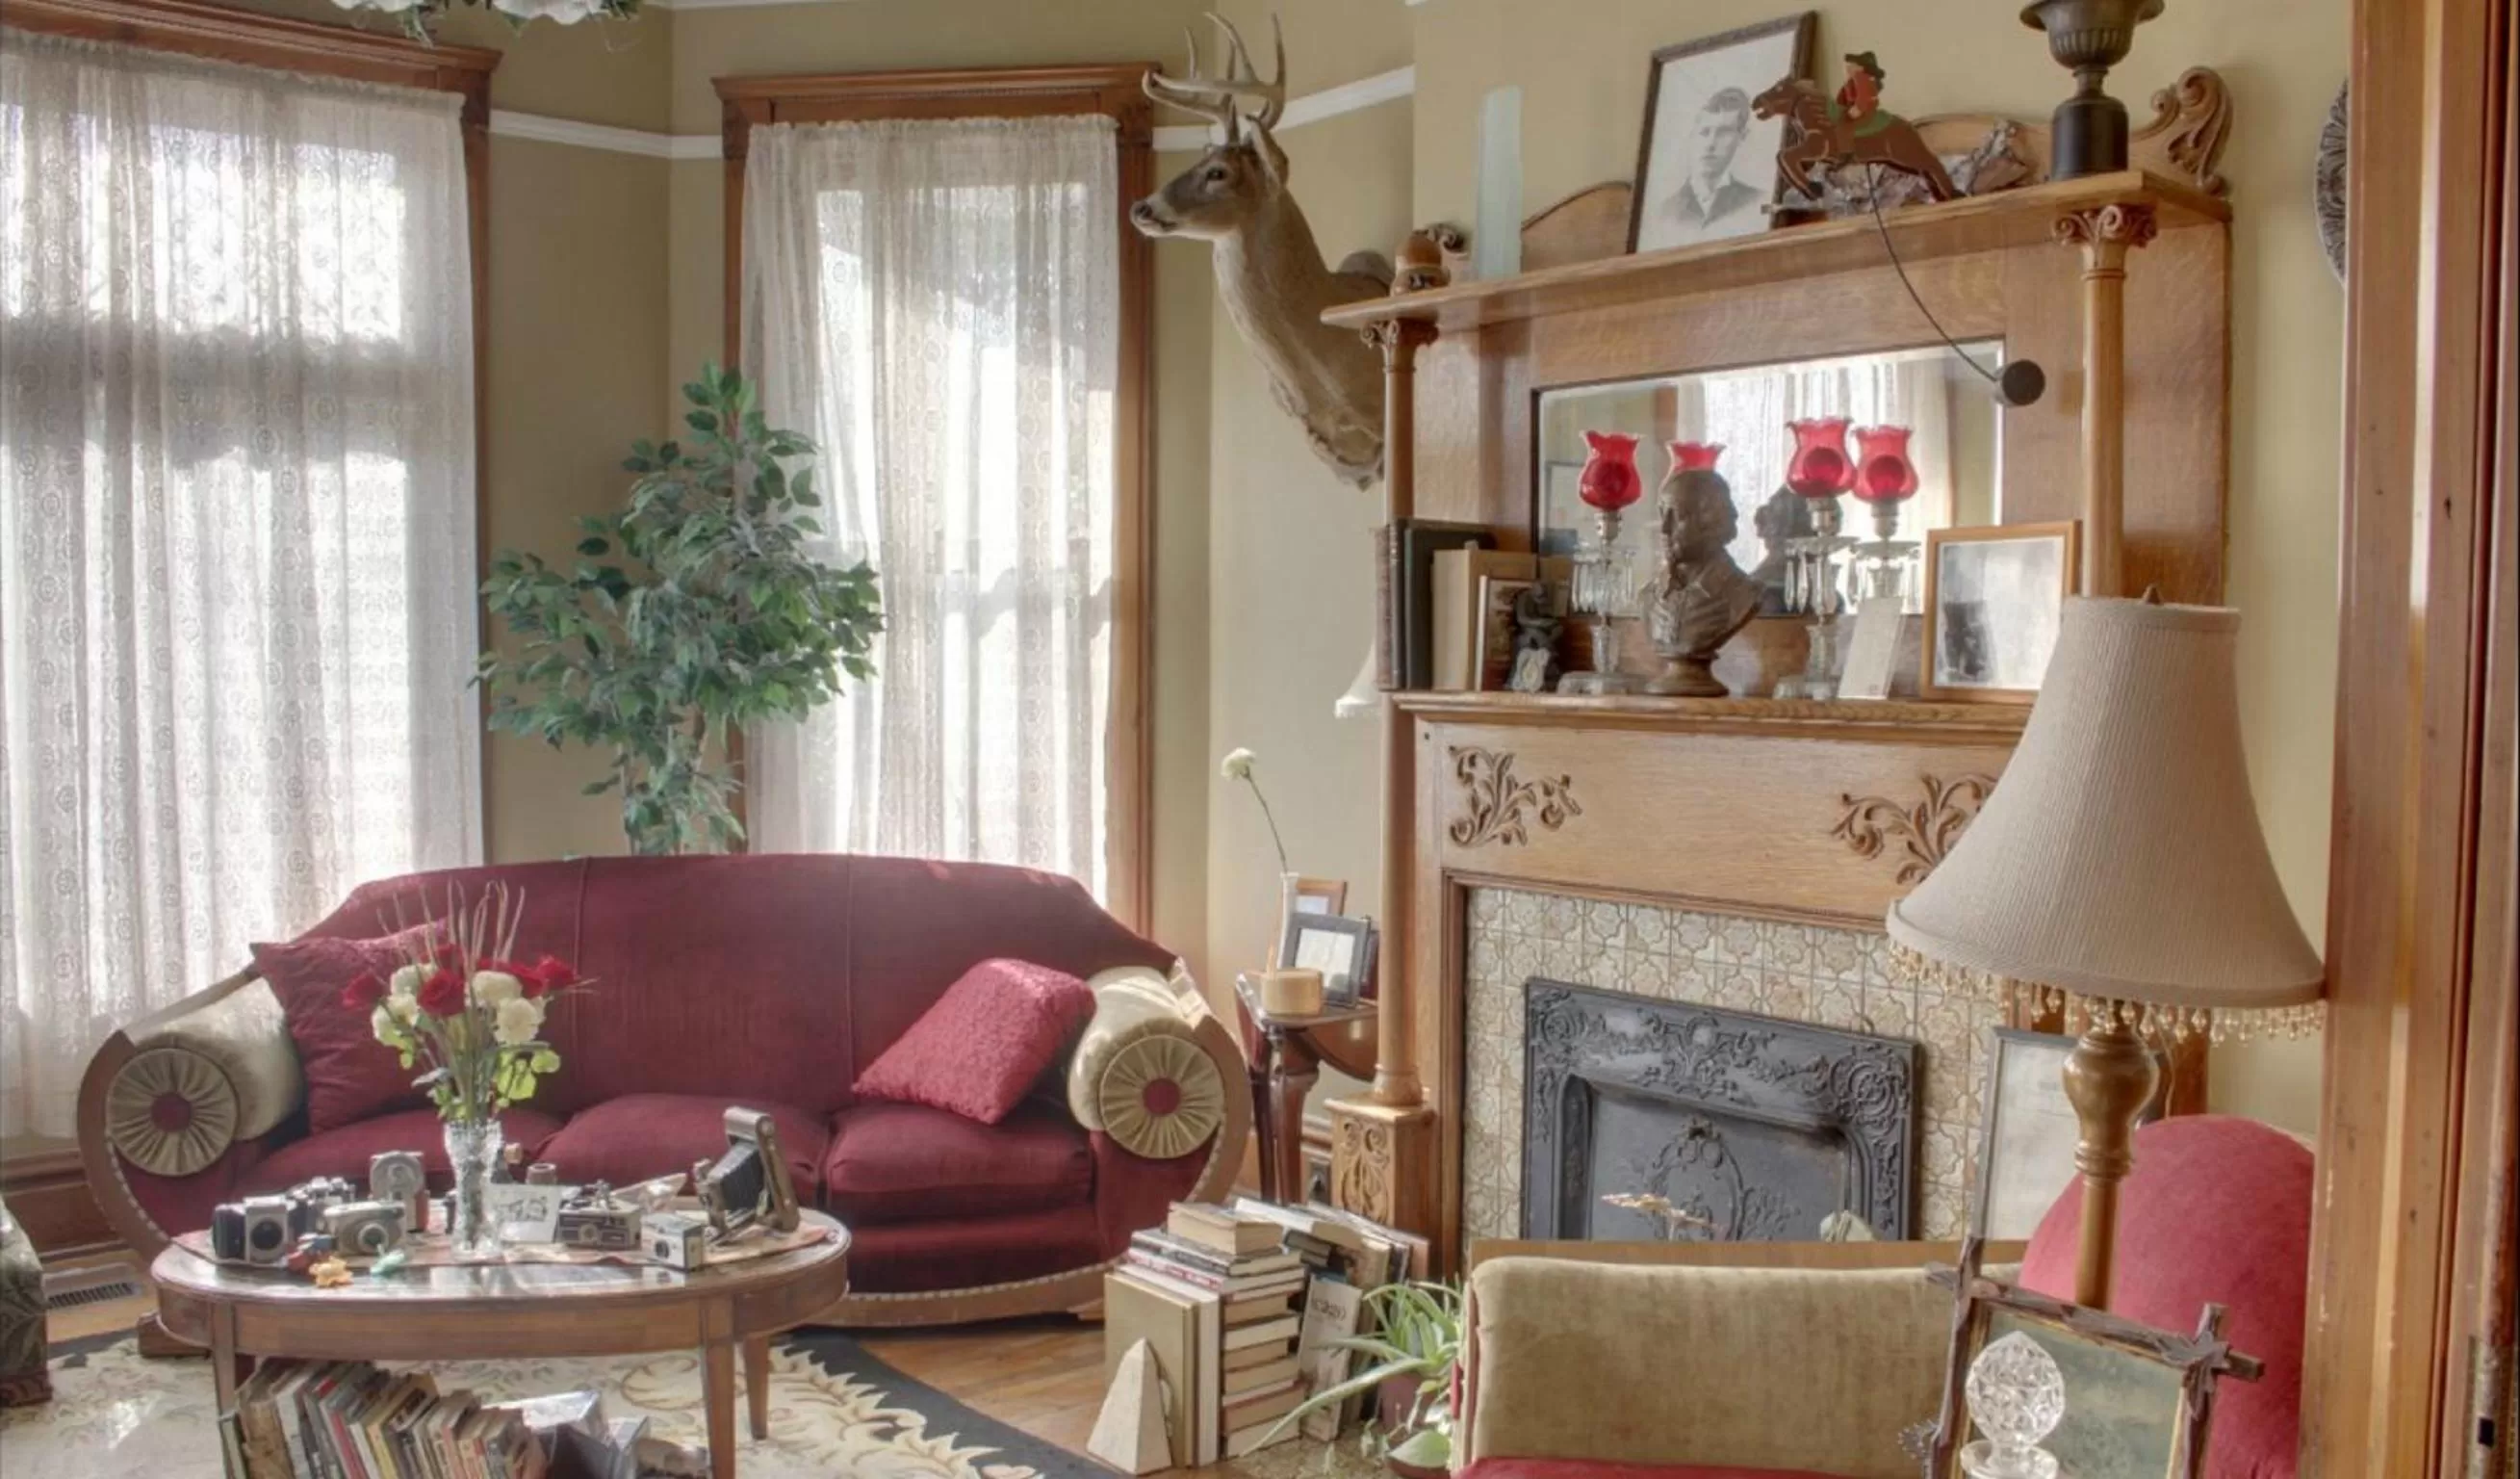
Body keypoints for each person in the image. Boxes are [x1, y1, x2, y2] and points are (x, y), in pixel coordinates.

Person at [1662, 88, 1764, 238]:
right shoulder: (1666, 211)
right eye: (1704, 132)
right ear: (1693, 135)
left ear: (1742, 136)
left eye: (1723, 133)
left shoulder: (1755, 201)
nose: (1711, 144)